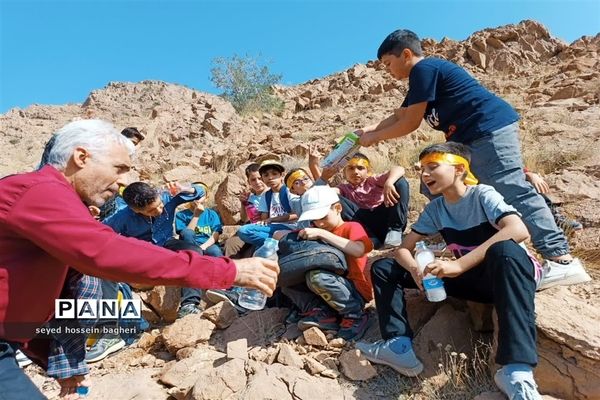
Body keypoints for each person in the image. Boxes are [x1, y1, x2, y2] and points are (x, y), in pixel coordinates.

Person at [0, 119, 278, 399]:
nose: (123, 182)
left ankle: (187, 305)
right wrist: (228, 271)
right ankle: (116, 331)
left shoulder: (59, 200)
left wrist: (53, 360)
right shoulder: (38, 191)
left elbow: (24, 294)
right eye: (118, 169)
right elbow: (104, 251)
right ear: (81, 157)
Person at [357, 29, 590, 290]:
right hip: (467, 142)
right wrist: (369, 130)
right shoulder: (419, 82)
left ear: (407, 54)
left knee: (511, 189)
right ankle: (470, 240)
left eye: (388, 63)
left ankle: (561, 260)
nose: (388, 71)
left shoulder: (425, 69)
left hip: (487, 130)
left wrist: (375, 139)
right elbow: (399, 115)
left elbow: (410, 123)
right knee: (439, 184)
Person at [357, 143, 542, 399]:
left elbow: (517, 230)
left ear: (459, 169)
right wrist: (415, 270)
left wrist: (459, 264)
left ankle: (516, 370)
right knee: (384, 266)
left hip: (503, 276)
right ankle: (397, 345)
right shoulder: (436, 209)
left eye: (433, 167)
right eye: (422, 169)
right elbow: (402, 249)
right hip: (467, 279)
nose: (424, 174)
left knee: (505, 250)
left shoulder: (482, 195)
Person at [103, 181, 209, 319]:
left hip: (166, 242)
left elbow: (200, 191)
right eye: (151, 210)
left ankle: (189, 305)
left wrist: (185, 188)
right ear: (135, 210)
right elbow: (100, 232)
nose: (159, 211)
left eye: (159, 206)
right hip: (142, 252)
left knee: (194, 252)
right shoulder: (123, 216)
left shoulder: (166, 197)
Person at [284, 185, 374, 340]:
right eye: (314, 220)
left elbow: (359, 250)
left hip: (354, 289)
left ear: (337, 208)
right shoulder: (314, 231)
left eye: (323, 217)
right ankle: (321, 312)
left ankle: (354, 314)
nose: (319, 223)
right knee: (286, 276)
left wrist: (323, 234)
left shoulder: (351, 227)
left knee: (317, 277)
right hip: (326, 287)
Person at [310, 152, 410, 249]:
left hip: (386, 221)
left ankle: (395, 230)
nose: (355, 172)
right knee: (334, 198)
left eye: (360, 168)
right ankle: (370, 239)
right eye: (351, 168)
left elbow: (399, 169)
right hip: (364, 227)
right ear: (345, 173)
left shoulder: (374, 181)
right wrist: (315, 168)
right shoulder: (343, 189)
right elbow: (322, 193)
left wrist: (389, 182)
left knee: (400, 182)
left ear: (368, 171)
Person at [236, 160, 298, 247]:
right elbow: (264, 219)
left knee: (247, 231)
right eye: (266, 175)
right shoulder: (266, 195)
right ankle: (279, 244)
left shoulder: (289, 191)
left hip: (290, 227)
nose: (270, 178)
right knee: (243, 231)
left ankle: (278, 243)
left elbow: (297, 215)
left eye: (274, 174)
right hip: (272, 228)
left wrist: (273, 219)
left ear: (282, 175)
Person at [176, 182, 225, 257]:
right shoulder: (181, 215)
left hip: (208, 245)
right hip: (189, 245)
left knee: (215, 251)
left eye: (200, 196)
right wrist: (196, 216)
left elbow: (215, 235)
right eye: (194, 195)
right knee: (187, 233)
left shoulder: (212, 214)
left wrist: (203, 247)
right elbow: (186, 234)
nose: (196, 198)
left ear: (206, 198)